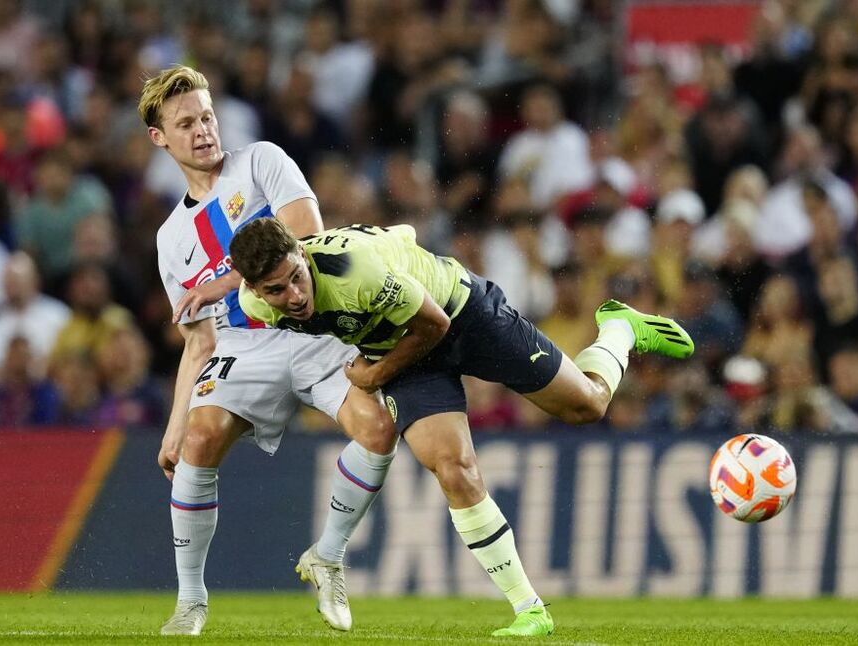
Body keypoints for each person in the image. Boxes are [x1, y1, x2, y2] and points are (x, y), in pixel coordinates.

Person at [232, 220, 695, 637]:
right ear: (254, 288)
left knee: (588, 406)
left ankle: (618, 327)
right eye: (276, 289)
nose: (294, 295)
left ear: (302, 254)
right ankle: (529, 609)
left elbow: (433, 323)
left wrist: (373, 374)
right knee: (454, 469)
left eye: (297, 276)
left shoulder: (354, 273)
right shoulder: (255, 304)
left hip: (462, 313)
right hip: (403, 353)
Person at [138, 65, 395, 636]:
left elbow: (306, 238)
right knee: (198, 442)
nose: (203, 130)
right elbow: (198, 340)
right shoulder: (170, 240)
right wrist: (174, 423)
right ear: (160, 138)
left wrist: (226, 282)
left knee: (378, 431)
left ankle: (327, 556)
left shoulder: (261, 161)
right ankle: (190, 600)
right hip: (241, 347)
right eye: (186, 123)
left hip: (311, 329)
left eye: (207, 116)